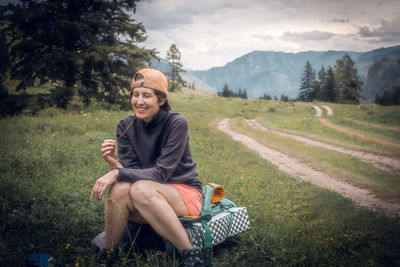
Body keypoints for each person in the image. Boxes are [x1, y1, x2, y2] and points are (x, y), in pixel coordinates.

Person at [90, 68, 204, 266]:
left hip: (183, 194)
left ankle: (192, 255)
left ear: (161, 99)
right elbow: (131, 171)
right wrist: (113, 164)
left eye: (146, 96)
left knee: (138, 187)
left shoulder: (177, 123)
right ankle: (108, 255)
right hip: (146, 196)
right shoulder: (125, 125)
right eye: (135, 95)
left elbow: (160, 173)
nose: (139, 101)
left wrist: (116, 172)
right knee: (120, 187)